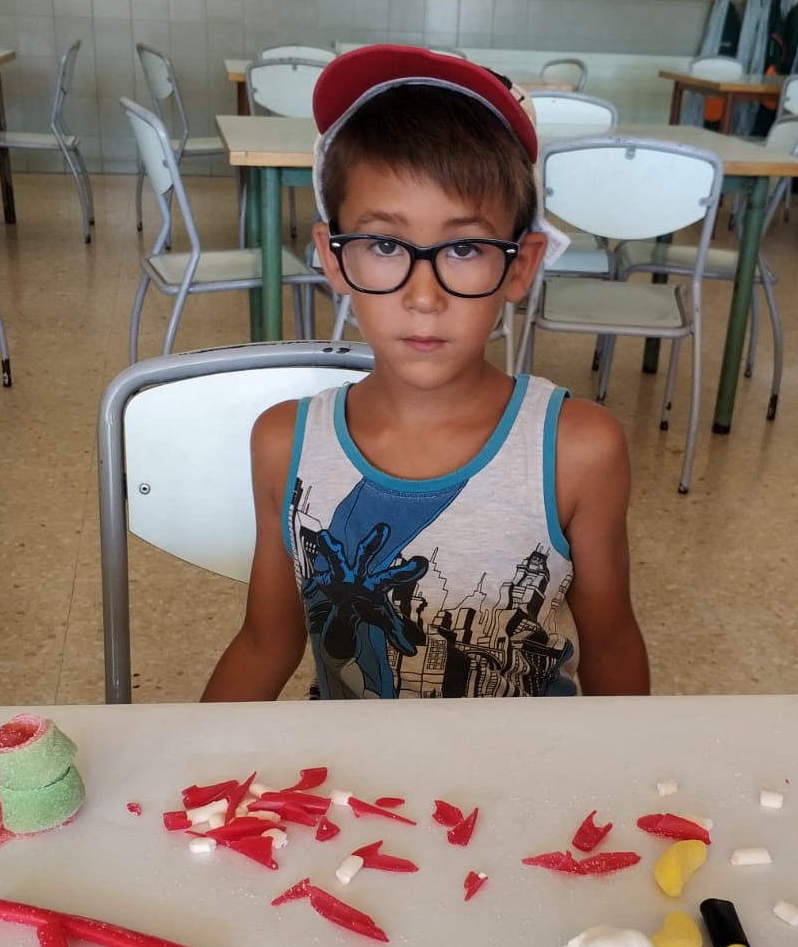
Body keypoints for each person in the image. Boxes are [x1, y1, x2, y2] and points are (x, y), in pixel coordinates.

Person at [202, 45, 650, 701]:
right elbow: (265, 645)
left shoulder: (578, 451)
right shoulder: (283, 444)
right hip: (346, 766)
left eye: (464, 247)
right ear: (334, 257)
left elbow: (611, 647)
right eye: (386, 244)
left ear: (521, 265)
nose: (423, 295)